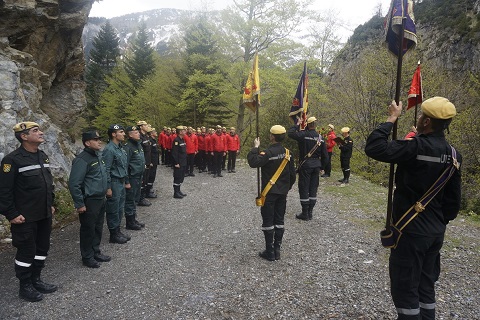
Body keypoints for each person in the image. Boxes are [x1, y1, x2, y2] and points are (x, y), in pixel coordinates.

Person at [365, 97, 462, 320]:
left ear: (426, 122)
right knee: (426, 286)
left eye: (421, 117)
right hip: (436, 231)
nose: (418, 119)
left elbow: (374, 147)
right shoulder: (454, 155)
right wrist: (437, 222)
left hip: (411, 232)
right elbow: (453, 203)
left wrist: (392, 117)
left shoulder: (414, 147)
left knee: (406, 290)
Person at [0, 121, 57, 302]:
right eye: (35, 131)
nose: (41, 133)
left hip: (44, 213)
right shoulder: (12, 160)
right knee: (26, 251)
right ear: (24, 137)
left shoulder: (42, 156)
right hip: (25, 217)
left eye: (39, 130)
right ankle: (25, 286)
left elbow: (48, 183)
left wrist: (51, 203)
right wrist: (12, 214)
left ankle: (36, 279)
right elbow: (4, 190)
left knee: (42, 248)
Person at [247, 125, 296, 261]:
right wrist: (287, 187)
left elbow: (253, 162)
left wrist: (255, 147)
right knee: (279, 220)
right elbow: (292, 174)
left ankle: (270, 252)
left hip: (269, 192)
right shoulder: (288, 153)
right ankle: (277, 250)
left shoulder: (267, 153)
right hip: (282, 192)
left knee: (268, 220)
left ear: (272, 136)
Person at [68, 131, 111, 268]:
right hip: (90, 200)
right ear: (87, 143)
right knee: (88, 229)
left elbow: (105, 174)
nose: (99, 141)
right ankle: (87, 256)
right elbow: (74, 183)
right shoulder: (82, 159)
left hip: (100, 197)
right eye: (95, 139)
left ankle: (95, 251)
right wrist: (79, 203)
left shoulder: (98, 156)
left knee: (98, 227)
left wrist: (108, 188)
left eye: (99, 139)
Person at [288, 116, 328, 220]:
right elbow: (325, 156)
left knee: (304, 188)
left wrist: (297, 124)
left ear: (307, 125)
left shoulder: (303, 135)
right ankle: (310, 212)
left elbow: (290, 133)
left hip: (305, 165)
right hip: (316, 166)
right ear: (315, 125)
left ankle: (305, 213)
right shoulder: (321, 138)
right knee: (313, 188)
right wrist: (322, 167)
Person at [103, 124, 130, 244]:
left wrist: (127, 181)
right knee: (113, 208)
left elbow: (124, 166)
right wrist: (108, 187)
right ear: (114, 134)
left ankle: (118, 231)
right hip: (114, 182)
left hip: (121, 181)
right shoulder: (109, 149)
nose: (124, 134)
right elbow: (106, 169)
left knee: (120, 207)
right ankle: (113, 234)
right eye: (121, 132)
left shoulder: (120, 148)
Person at [123, 125, 146, 230]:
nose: (138, 134)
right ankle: (130, 222)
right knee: (130, 199)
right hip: (132, 177)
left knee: (135, 198)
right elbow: (125, 165)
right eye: (136, 133)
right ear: (130, 135)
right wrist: (126, 181)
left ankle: (134, 219)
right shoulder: (128, 147)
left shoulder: (138, 145)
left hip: (138, 176)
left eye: (138, 132)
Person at [136, 120, 152, 207]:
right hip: (143, 163)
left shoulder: (145, 136)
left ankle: (143, 196)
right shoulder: (139, 137)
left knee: (145, 180)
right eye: (145, 125)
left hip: (148, 162)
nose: (147, 127)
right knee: (142, 181)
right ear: (141, 126)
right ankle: (140, 199)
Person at [171, 126, 187, 198]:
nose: (185, 131)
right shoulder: (176, 140)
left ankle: (179, 190)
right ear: (180, 132)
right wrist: (176, 163)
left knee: (181, 177)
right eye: (184, 130)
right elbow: (174, 153)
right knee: (177, 177)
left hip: (183, 162)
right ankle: (176, 193)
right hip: (178, 163)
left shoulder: (182, 139)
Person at [146, 127, 159, 198]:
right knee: (150, 176)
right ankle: (148, 192)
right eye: (155, 132)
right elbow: (149, 152)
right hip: (152, 162)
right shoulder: (150, 141)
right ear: (151, 133)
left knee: (153, 176)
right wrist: (150, 161)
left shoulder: (154, 140)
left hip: (155, 161)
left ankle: (150, 188)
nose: (156, 133)